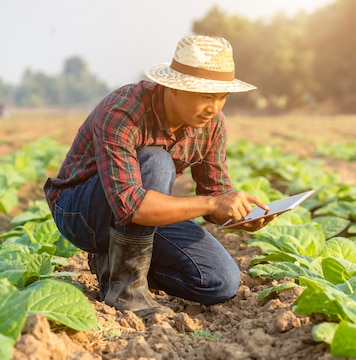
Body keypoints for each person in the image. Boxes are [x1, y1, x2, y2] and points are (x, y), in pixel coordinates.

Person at [44, 35, 275, 317]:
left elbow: (215, 195)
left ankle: (113, 265)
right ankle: (125, 290)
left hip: (141, 215)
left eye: (222, 97)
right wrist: (212, 204)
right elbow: (130, 205)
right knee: (157, 160)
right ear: (173, 87)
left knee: (221, 281)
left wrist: (241, 218)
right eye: (206, 96)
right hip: (81, 212)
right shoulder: (123, 110)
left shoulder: (212, 125)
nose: (215, 108)